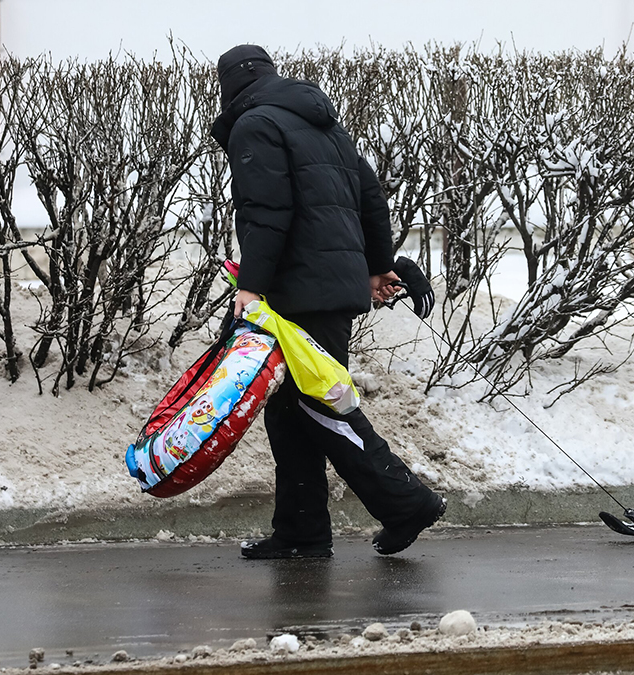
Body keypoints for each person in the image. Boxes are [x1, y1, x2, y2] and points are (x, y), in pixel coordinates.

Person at [211, 44, 444, 558]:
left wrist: (250, 285)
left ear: (229, 86)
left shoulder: (256, 126)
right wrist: (377, 264)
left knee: (319, 405)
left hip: (298, 290)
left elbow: (267, 212)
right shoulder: (324, 127)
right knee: (292, 411)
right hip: (326, 287)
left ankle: (406, 503)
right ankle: (302, 534)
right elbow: (370, 196)